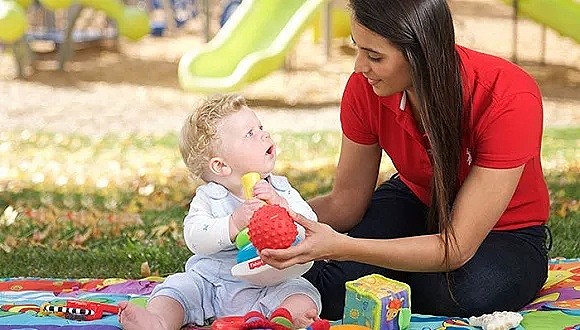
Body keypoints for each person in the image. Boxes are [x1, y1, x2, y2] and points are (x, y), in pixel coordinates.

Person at [260, 0, 550, 320]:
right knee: (332, 290)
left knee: (460, 292)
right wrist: (277, 215)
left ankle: (389, 270)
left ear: (421, 55)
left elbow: (455, 247)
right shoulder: (366, 88)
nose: (359, 67)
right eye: (358, 49)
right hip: (416, 201)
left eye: (374, 56)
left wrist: (341, 248)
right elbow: (345, 203)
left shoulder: (507, 95)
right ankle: (385, 268)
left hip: (507, 230)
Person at [119, 94, 321, 329]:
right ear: (221, 166)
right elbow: (194, 237)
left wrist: (282, 207)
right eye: (250, 133)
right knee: (177, 288)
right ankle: (158, 321)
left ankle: (281, 319)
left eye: (261, 127)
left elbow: (311, 223)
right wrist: (233, 224)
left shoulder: (280, 188)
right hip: (212, 283)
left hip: (269, 284)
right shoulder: (210, 198)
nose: (264, 134)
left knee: (303, 292)